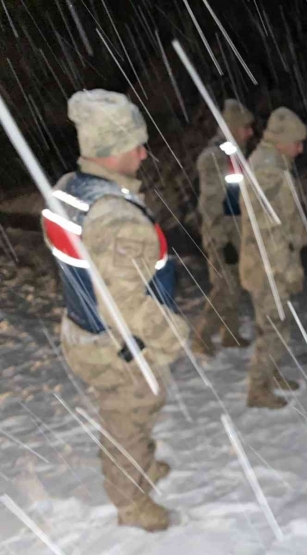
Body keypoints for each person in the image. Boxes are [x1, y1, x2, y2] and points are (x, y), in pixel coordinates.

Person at [41, 90, 187, 530]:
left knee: (130, 412)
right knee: (128, 416)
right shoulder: (113, 214)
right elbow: (123, 302)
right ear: (109, 151)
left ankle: (138, 466)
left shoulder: (73, 189)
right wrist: (171, 332)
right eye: (135, 145)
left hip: (89, 331)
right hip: (121, 343)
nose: (144, 153)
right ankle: (131, 501)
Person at [240, 107, 307, 409]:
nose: (301, 149)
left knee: (274, 323)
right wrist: (284, 269)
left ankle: (271, 373)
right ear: (282, 140)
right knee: (272, 325)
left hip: (270, 261)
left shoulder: (273, 162)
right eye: (297, 142)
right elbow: (267, 228)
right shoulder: (267, 168)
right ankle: (258, 388)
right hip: (268, 265)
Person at [192, 99, 255, 355]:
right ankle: (203, 336)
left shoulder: (234, 154)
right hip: (223, 233)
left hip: (237, 230)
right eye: (246, 127)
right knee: (223, 287)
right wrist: (221, 239)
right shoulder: (214, 157)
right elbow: (210, 204)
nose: (250, 132)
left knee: (234, 285)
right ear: (233, 127)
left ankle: (230, 333)